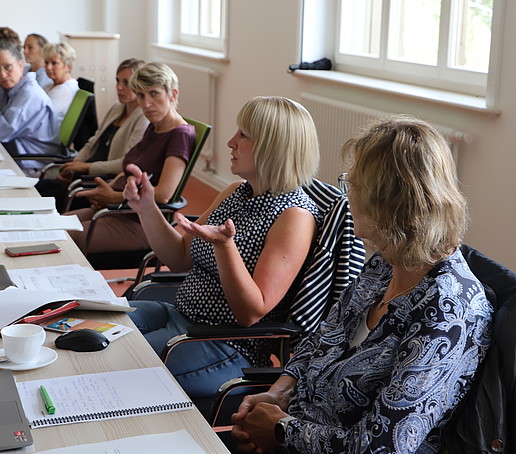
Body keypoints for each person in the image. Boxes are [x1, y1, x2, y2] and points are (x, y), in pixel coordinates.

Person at [231, 116, 494, 454]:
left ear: (387, 201)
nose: (347, 192)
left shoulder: (446, 313)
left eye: (352, 183)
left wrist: (281, 430)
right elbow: (325, 334)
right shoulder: (386, 262)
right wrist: (280, 391)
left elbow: (382, 447)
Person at [125, 96, 321, 399]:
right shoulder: (235, 192)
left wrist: (225, 247)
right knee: (96, 329)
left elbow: (251, 312)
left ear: (272, 147)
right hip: (179, 317)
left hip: (226, 343)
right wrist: (146, 208)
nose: (230, 142)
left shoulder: (294, 217)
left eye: (243, 135)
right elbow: (179, 257)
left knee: (116, 365)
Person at [66, 62, 196, 254]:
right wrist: (107, 191)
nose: (146, 104)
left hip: (141, 223)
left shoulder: (180, 135)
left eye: (154, 94)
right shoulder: (156, 126)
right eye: (141, 95)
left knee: (63, 237)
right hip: (117, 209)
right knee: (53, 225)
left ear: (172, 94)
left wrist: (112, 196)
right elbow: (129, 167)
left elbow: (163, 194)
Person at [36, 58, 149, 212]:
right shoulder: (117, 108)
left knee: (42, 200)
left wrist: (85, 167)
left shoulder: (142, 117)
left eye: (126, 83)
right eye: (117, 81)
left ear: (140, 85)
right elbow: (92, 142)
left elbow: (123, 163)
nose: (119, 87)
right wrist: (74, 165)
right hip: (84, 174)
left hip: (99, 182)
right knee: (38, 189)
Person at [0, 27, 60, 159]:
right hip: (15, 158)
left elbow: (3, 133)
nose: (3, 75)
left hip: (32, 165)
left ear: (21, 65)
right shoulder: (8, 88)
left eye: (7, 67)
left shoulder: (29, 94)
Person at [43, 42, 78, 124]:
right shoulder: (50, 85)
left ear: (68, 67)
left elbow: (38, 116)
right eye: (46, 63)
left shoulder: (65, 90)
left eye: (54, 63)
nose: (48, 67)